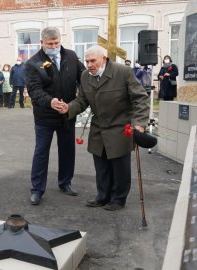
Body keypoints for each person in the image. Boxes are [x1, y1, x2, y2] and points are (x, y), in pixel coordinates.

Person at [60, 45, 150, 211]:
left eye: (93, 60)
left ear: (104, 59)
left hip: (120, 126)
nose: (89, 64)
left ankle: (118, 199)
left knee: (119, 167)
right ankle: (102, 196)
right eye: (87, 61)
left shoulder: (123, 72)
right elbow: (82, 101)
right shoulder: (86, 76)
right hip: (98, 128)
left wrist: (140, 123)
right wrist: (68, 108)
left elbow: (140, 98)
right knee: (101, 166)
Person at [25, 26, 85, 205]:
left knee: (67, 149)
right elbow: (35, 90)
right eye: (50, 44)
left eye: (57, 43)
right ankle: (37, 189)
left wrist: (76, 103)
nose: (54, 46)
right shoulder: (33, 63)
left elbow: (83, 77)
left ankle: (65, 182)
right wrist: (50, 101)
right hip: (45, 116)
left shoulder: (71, 56)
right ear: (41, 42)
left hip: (67, 112)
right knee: (41, 152)